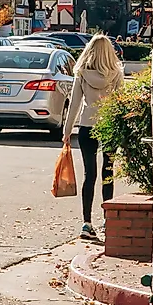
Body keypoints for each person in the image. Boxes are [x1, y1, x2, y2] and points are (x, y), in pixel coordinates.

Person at [60, 32, 124, 240]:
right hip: (109, 126)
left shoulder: (82, 74)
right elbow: (121, 103)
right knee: (108, 172)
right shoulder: (116, 73)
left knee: (90, 174)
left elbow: (74, 104)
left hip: (87, 125)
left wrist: (67, 131)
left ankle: (86, 223)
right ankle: (108, 219)